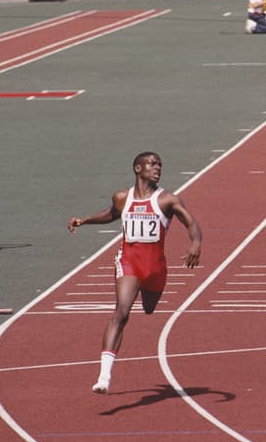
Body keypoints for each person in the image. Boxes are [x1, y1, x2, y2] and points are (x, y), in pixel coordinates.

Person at [67, 151, 202, 394]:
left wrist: (195, 243)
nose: (157, 168)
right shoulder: (122, 197)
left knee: (149, 309)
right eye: (152, 164)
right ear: (137, 168)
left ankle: (146, 296)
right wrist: (85, 220)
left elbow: (191, 222)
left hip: (155, 267)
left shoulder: (167, 200)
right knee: (122, 312)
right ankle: (104, 377)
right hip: (129, 262)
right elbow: (111, 214)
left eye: (160, 165)